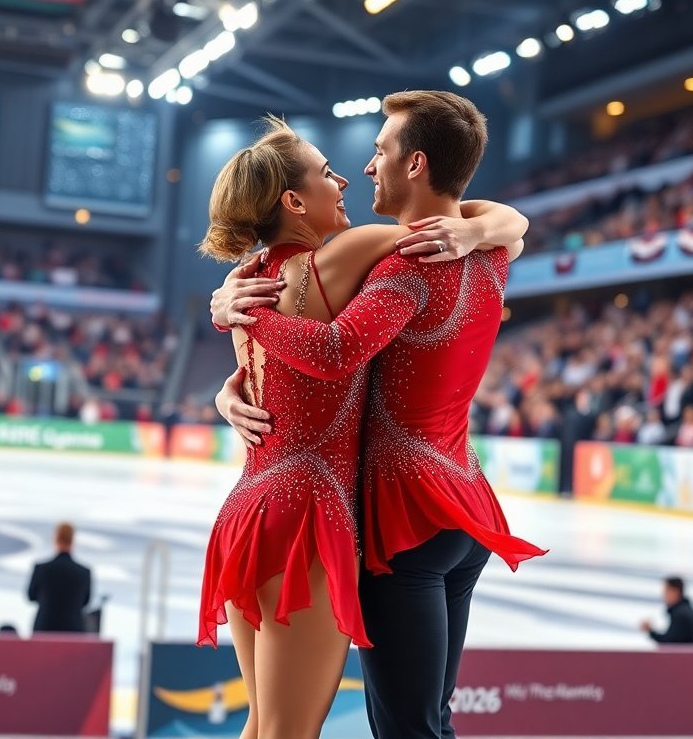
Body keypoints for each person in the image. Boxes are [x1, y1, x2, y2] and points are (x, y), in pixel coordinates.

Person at [208, 93, 541, 739]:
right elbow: (511, 227)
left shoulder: (397, 264)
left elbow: (334, 351)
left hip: (393, 519)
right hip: (458, 504)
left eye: (377, 152)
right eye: (332, 168)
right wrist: (483, 228)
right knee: (417, 724)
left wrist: (239, 312)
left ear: (414, 164)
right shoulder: (488, 256)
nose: (359, 171)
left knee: (366, 729)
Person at [28, 522, 93, 634]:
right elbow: (86, 601)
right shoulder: (83, 572)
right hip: (73, 629)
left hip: (44, 628)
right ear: (73, 540)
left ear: (55, 539)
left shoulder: (41, 569)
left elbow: (31, 595)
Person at [639, 576, 693, 646]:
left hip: (687, 656)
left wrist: (651, 631)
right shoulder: (685, 610)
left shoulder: (681, 614)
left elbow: (669, 643)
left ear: (675, 591)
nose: (663, 595)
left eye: (666, 591)